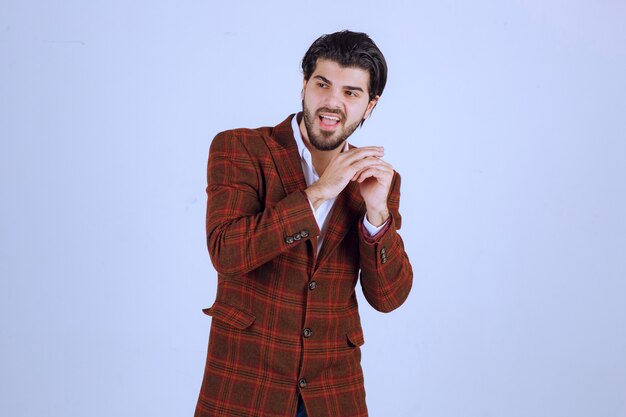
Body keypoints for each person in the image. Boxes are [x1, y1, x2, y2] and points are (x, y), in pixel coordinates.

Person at [195, 30, 413, 417]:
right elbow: (227, 251)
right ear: (304, 86)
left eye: (351, 92)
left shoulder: (376, 180)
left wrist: (377, 215)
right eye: (323, 84)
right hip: (246, 388)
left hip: (333, 395)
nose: (332, 102)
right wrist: (318, 192)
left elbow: (387, 298)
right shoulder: (240, 148)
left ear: (370, 106)